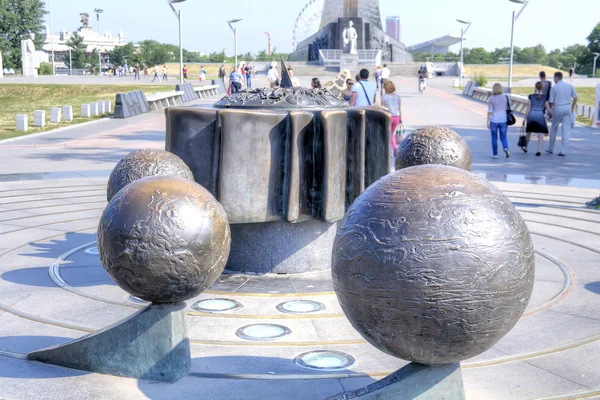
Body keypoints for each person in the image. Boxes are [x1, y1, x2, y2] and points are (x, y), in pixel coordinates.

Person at [547, 71, 578, 156]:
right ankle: (563, 150)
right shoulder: (569, 86)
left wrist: (549, 112)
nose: (554, 79)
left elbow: (551, 102)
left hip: (558, 107)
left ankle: (551, 148)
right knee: (566, 129)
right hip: (567, 107)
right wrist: (572, 107)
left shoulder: (554, 88)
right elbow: (575, 97)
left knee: (554, 128)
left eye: (554, 78)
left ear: (556, 78)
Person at [522, 82, 551, 156]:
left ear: (535, 87)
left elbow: (528, 108)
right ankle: (539, 149)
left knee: (529, 132)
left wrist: (525, 118)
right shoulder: (545, 97)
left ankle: (525, 147)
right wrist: (551, 115)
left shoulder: (531, 96)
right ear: (542, 88)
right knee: (541, 133)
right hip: (540, 115)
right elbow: (548, 108)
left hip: (532, 115)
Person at [487, 83, 510, 159]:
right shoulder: (505, 97)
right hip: (503, 120)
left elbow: (490, 111)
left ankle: (495, 154)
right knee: (503, 137)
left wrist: (488, 121)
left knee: (494, 138)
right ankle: (505, 148)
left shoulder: (491, 99)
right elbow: (507, 108)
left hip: (494, 120)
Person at [381, 80, 401, 155]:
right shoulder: (397, 96)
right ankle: (393, 148)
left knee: (389, 133)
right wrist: (400, 118)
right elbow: (399, 108)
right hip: (396, 117)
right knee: (391, 133)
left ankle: (394, 148)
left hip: (388, 117)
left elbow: (383, 108)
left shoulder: (384, 97)